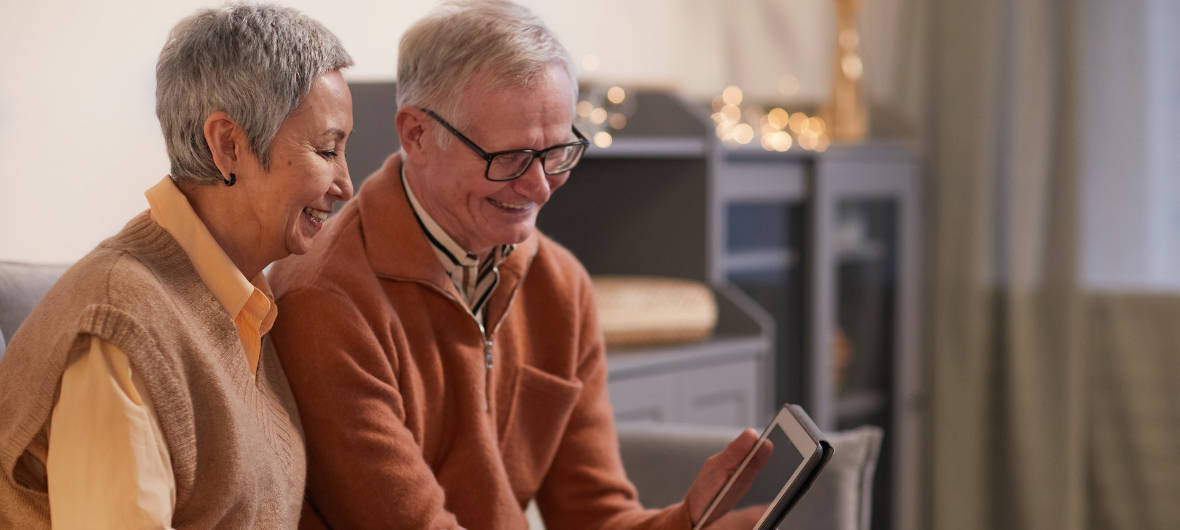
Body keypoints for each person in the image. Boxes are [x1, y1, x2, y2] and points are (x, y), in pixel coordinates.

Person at [268, 1, 766, 528]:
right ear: (416, 135)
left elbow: (593, 515)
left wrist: (687, 522)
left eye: (557, 153)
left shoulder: (560, 285)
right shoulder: (326, 303)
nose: (540, 187)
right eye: (508, 159)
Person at [0, 4, 354, 528]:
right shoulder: (121, 324)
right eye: (327, 149)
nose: (345, 184)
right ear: (228, 145)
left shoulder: (242, 300)